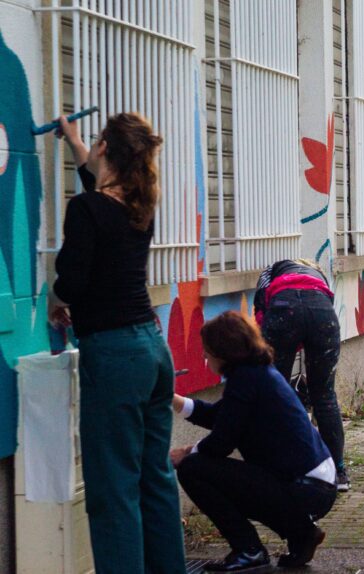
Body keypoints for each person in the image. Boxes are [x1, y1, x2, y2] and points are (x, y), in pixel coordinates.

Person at [48, 113, 186, 573]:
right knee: (155, 480)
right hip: (152, 349)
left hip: (114, 357)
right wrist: (73, 140)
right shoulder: (139, 205)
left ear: (106, 146)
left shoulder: (87, 209)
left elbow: (73, 279)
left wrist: (55, 298)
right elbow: (95, 174)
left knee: (113, 491)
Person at [171, 311, 336, 572]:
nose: (204, 356)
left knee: (193, 469)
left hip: (304, 488)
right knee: (210, 468)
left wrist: (187, 453)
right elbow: (221, 416)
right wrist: (174, 400)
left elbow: (221, 442)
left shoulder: (246, 380)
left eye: (207, 350)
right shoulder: (257, 374)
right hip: (315, 485)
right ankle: (301, 533)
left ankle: (249, 549)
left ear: (222, 352)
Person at [253, 259, 349, 491]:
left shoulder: (271, 270)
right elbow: (321, 309)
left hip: (284, 310)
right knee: (324, 395)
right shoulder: (318, 277)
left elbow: (260, 315)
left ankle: (275, 468)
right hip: (322, 313)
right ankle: (338, 472)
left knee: (274, 393)